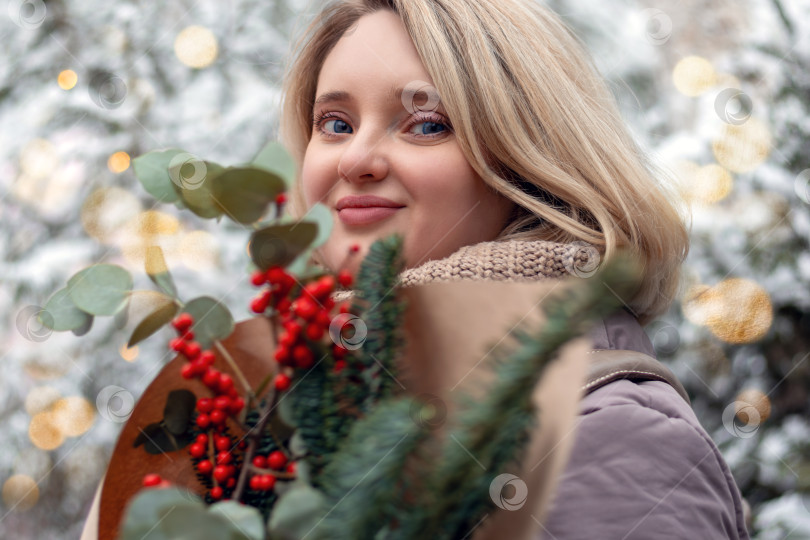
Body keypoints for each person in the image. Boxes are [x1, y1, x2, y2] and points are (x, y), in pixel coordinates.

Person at [279, 0, 750, 539]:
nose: (353, 158)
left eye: (427, 125)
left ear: (524, 165)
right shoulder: (289, 419)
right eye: (335, 123)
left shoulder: (607, 437)